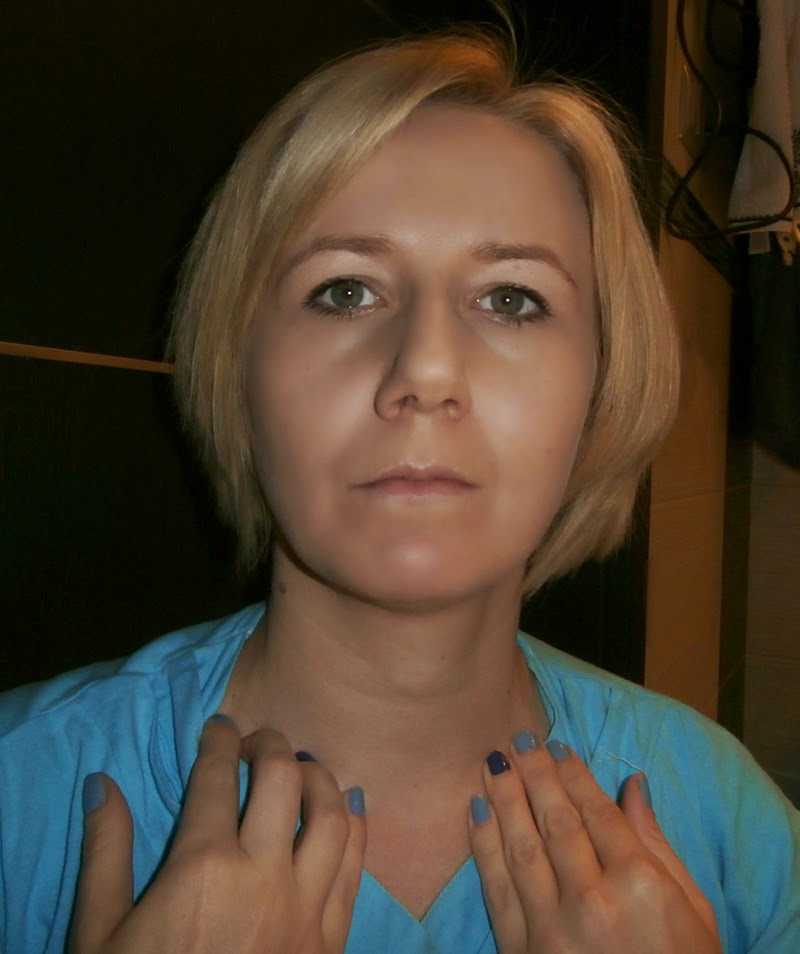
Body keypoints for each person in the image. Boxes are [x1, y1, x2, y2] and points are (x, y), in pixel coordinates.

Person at [1, 28, 798, 954]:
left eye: (512, 298)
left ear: (601, 388)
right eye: (345, 291)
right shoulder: (22, 790)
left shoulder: (731, 823)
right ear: (237, 367)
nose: (425, 370)